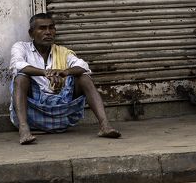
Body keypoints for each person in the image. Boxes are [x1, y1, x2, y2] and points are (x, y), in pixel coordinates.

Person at [8, 13, 120, 145]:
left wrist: (65, 72)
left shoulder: (62, 52)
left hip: (61, 109)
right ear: (31, 33)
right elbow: (17, 65)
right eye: (42, 28)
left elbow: (83, 66)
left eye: (51, 28)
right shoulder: (21, 47)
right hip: (35, 109)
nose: (48, 32)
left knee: (84, 78)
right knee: (21, 78)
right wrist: (45, 72)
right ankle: (24, 129)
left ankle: (105, 125)